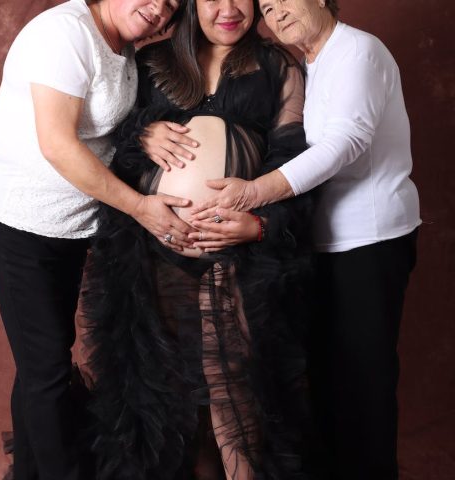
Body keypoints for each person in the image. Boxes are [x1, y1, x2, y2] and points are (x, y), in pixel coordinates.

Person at [82, 0, 315, 478]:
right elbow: (109, 150)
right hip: (152, 248)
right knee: (166, 384)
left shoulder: (277, 65)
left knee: (235, 382)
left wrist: (262, 224)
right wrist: (142, 135)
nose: (228, 9)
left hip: (242, 251)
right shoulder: (150, 62)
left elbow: (298, 166)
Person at [190, 0, 421, 479]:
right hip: (320, 244)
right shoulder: (309, 64)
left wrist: (254, 192)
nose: (276, 12)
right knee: (324, 385)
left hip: (368, 241)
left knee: (364, 386)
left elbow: (345, 143)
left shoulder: (358, 51)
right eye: (267, 6)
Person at [0, 0, 188, 478]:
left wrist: (146, 134)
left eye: (173, 2)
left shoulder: (125, 46)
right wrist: (139, 207)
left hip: (72, 221)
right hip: (17, 218)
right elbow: (58, 143)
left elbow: (108, 133)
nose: (159, 7)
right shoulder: (66, 34)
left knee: (42, 361)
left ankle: (29, 472)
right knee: (48, 368)